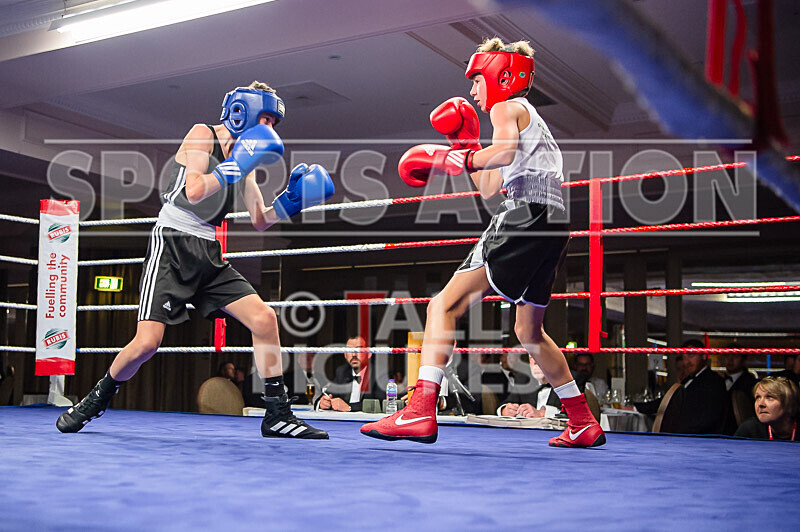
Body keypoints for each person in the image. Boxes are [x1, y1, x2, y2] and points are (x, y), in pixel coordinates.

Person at [361, 38, 605, 447]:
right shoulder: (526, 118)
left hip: (526, 215)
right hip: (553, 218)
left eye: (476, 79)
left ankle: (420, 410)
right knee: (529, 331)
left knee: (444, 304)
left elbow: (504, 153)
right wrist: (464, 148)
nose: (473, 91)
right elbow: (492, 185)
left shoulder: (507, 107)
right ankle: (582, 420)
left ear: (500, 74)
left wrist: (450, 158)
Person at [57, 82, 333, 439]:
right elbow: (194, 190)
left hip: (208, 251)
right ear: (241, 111)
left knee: (264, 319)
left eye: (273, 123)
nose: (268, 129)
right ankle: (94, 400)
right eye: (263, 118)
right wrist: (237, 163)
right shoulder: (202, 134)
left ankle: (277, 414)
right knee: (147, 343)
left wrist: (292, 200)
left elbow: (261, 218)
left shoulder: (244, 161)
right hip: (173, 242)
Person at [318, 337, 378, 412]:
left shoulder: (378, 373)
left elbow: (380, 403)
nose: (354, 354)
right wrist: (323, 402)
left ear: (369, 354)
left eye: (358, 350)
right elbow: (327, 395)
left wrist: (349, 407)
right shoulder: (342, 372)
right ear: (345, 355)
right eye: (350, 350)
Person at [676, 351, 727, 434]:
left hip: (697, 436)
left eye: (691, 355)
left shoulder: (712, 380)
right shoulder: (688, 380)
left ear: (703, 356)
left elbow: (709, 417)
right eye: (684, 358)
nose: (687, 362)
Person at [735, 377, 800, 441]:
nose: (760, 404)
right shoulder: (749, 429)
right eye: (758, 397)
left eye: (769, 397)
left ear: (788, 403)